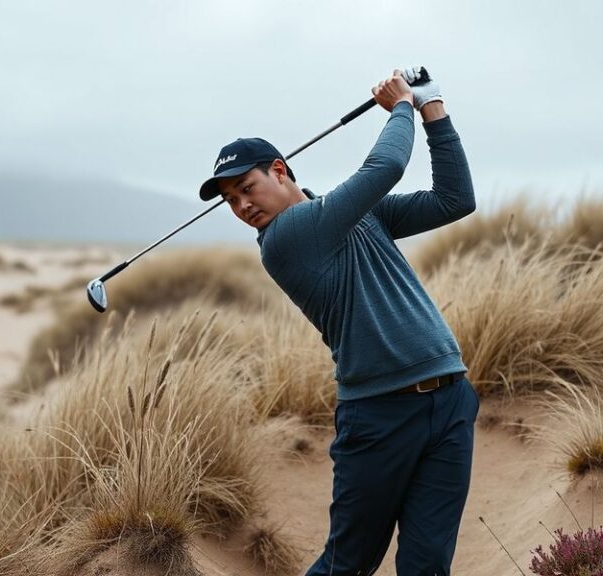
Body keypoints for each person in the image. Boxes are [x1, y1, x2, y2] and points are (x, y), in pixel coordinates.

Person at [198, 67, 478, 576]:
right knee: (348, 565)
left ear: (280, 170)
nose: (241, 206)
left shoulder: (347, 215)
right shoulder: (287, 240)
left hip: (451, 400)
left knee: (428, 563)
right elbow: (385, 166)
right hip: (379, 415)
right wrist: (400, 105)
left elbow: (455, 200)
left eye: (246, 188)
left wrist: (431, 105)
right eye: (230, 200)